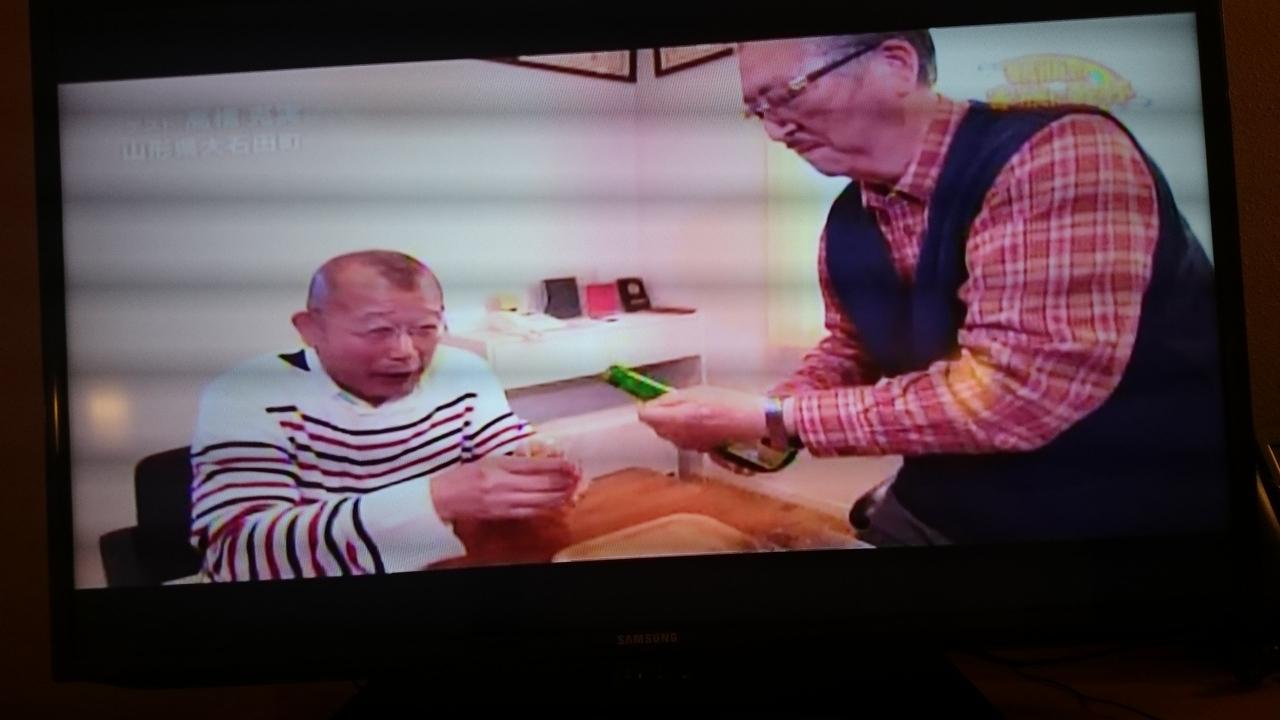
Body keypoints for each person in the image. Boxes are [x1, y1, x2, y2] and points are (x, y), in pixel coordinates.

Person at [639, 32, 1224, 545]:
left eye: (786, 95)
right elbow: (851, 349)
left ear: (896, 64)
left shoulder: (1061, 154)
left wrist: (777, 416)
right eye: (757, 110)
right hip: (943, 499)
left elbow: (1015, 395)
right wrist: (768, 425)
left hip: (1122, 508)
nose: (773, 129)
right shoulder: (846, 217)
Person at [188, 250, 580, 581]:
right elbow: (239, 557)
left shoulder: (462, 370)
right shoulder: (248, 392)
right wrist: (436, 499)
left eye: (425, 329)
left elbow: (506, 446)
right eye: (377, 331)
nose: (406, 352)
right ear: (310, 329)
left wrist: (537, 465)